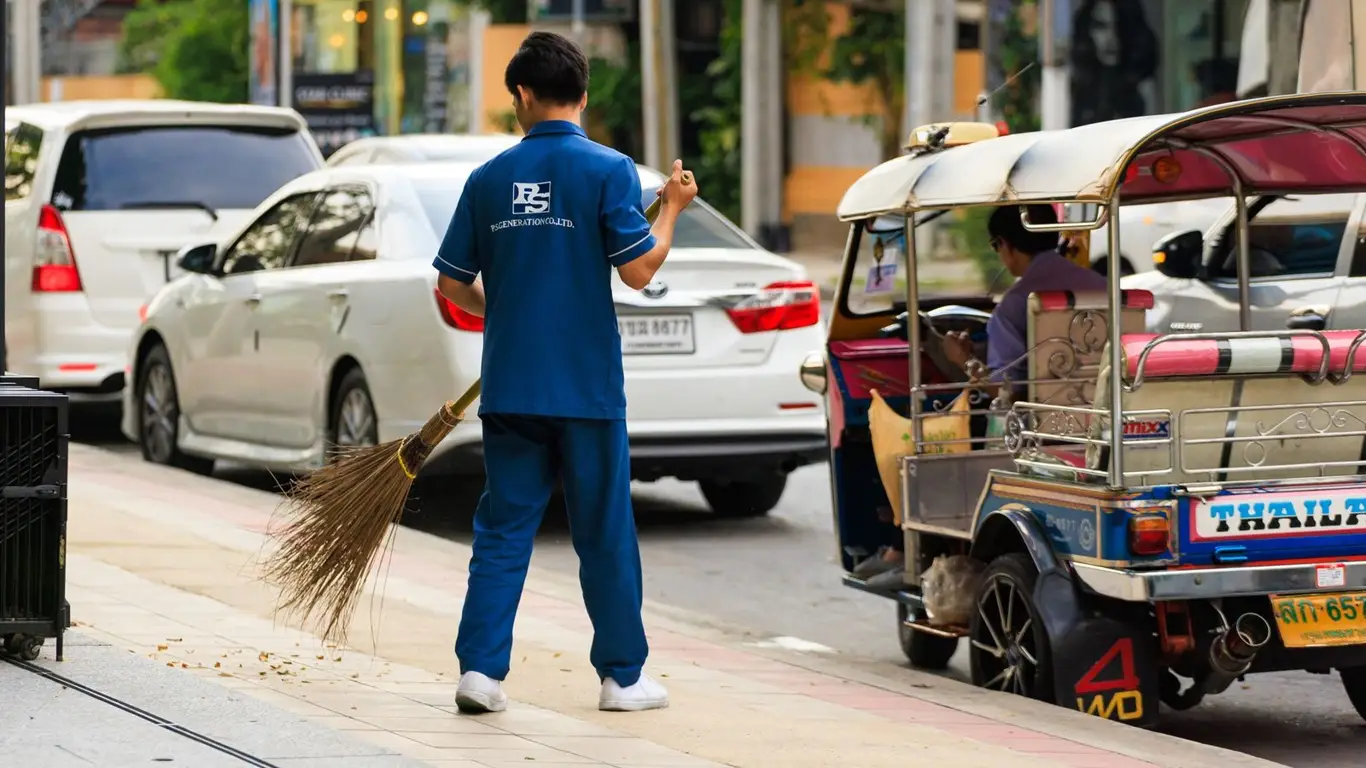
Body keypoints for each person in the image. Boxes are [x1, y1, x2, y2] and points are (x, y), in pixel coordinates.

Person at [432, 31, 699, 715]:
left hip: (513, 385)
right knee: (604, 531)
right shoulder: (610, 171)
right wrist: (670, 207)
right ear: (583, 93)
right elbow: (639, 271)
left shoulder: (488, 179)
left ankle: (481, 673)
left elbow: (452, 282)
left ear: (523, 94)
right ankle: (622, 678)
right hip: (586, 388)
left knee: (503, 529)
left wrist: (506, 309)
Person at [943, 204, 1107, 386]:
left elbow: (1004, 392)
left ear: (1003, 244)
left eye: (995, 246)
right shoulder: (1103, 286)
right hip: (1114, 406)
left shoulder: (1014, 305)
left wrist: (963, 360)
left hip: (1048, 413)